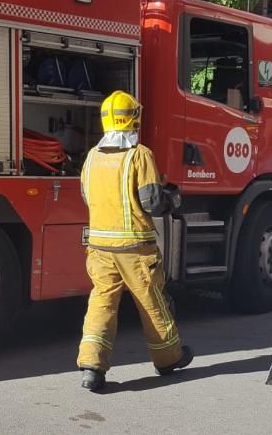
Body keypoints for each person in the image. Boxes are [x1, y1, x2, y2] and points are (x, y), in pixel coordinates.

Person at [77, 90, 193, 391]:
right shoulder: (139, 155)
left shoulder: (91, 157)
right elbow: (153, 202)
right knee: (151, 302)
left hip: (100, 248)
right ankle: (168, 358)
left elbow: (86, 196)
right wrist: (173, 199)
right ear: (133, 120)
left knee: (102, 302)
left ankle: (91, 366)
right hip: (135, 249)